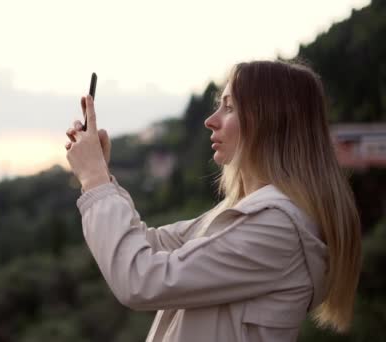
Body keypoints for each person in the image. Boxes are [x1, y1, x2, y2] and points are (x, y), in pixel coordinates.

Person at [64, 60, 362, 342]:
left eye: (229, 108)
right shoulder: (243, 215)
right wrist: (100, 174)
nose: (210, 120)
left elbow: (141, 280)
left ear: (271, 122)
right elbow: (148, 245)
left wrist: (94, 180)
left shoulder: (278, 228)